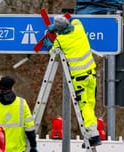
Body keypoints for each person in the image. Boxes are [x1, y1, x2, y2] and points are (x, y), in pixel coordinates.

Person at [43, 14, 101, 147]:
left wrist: (48, 43)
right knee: (90, 105)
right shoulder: (79, 28)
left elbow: (54, 53)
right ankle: (91, 135)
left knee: (84, 107)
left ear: (59, 30)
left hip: (79, 80)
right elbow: (75, 20)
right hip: (92, 75)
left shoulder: (61, 40)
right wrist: (59, 26)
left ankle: (93, 136)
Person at [0, 76, 37, 152]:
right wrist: (33, 146)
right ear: (12, 88)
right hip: (18, 150)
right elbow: (30, 128)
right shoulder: (22, 103)